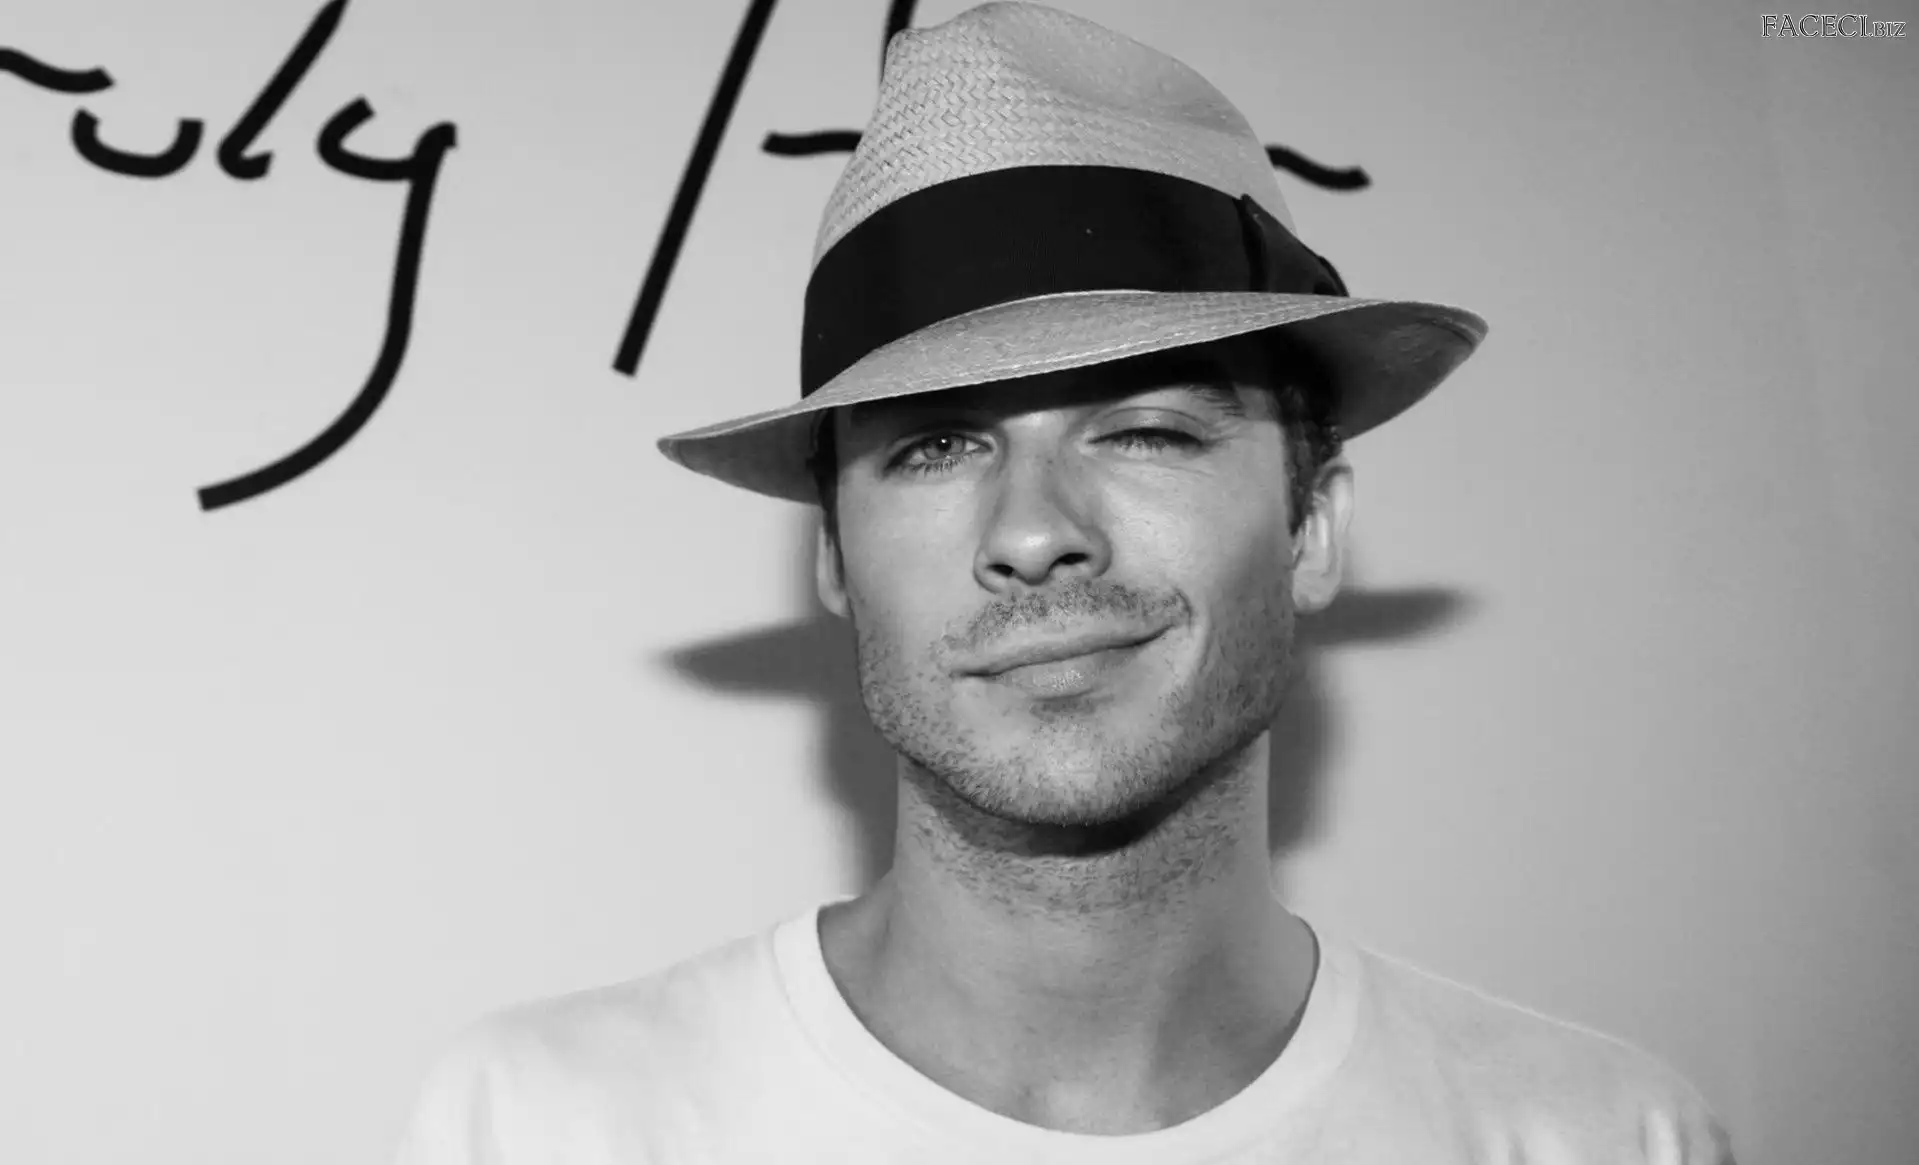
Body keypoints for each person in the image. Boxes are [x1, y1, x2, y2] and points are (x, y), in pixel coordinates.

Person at [393, 4, 1735, 1161]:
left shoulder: (1602, 1134)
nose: (1033, 533)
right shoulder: (547, 1124)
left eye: (1145, 430)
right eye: (934, 446)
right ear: (834, 560)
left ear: (1313, 529)